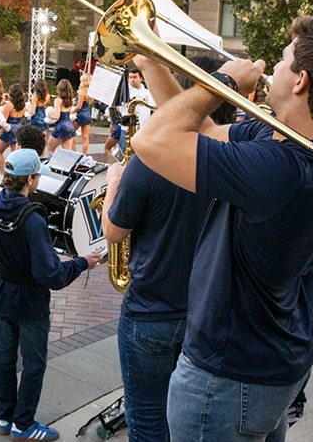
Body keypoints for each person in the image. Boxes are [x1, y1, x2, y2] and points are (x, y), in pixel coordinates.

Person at [126, 15, 313, 441]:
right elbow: (203, 130)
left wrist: (221, 81)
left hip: (227, 374)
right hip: (267, 358)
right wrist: (153, 63)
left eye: (283, 61)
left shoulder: (279, 169)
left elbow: (151, 143)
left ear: (300, 81)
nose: (270, 67)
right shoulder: (296, 142)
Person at [99, 54, 234, 442]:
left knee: (146, 421)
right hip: (204, 310)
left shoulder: (148, 161)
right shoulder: (232, 157)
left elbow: (112, 232)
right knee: (180, 417)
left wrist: (113, 183)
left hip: (151, 310)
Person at [0, 148, 102, 440]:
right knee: (33, 363)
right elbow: (50, 275)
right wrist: (81, 263)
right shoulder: (34, 220)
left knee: (3, 361)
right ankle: (23, 424)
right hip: (30, 302)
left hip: (1, 295)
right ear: (30, 178)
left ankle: (5, 418)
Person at [0, 83, 25, 176]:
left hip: (9, 129)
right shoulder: (23, 105)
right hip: (18, 127)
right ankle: (15, 173)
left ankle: (3, 174)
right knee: (14, 153)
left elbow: (4, 120)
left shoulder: (9, 106)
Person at [46, 80, 76, 153]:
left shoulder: (58, 100)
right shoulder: (71, 100)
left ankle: (52, 164)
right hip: (70, 125)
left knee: (50, 150)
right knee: (66, 153)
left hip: (61, 126)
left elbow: (57, 116)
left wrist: (49, 116)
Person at [72, 73, 93, 156]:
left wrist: (72, 111)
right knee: (85, 138)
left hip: (80, 115)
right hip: (87, 114)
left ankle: (74, 151)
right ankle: (84, 155)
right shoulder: (89, 92)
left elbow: (79, 106)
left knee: (71, 133)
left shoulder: (81, 92)